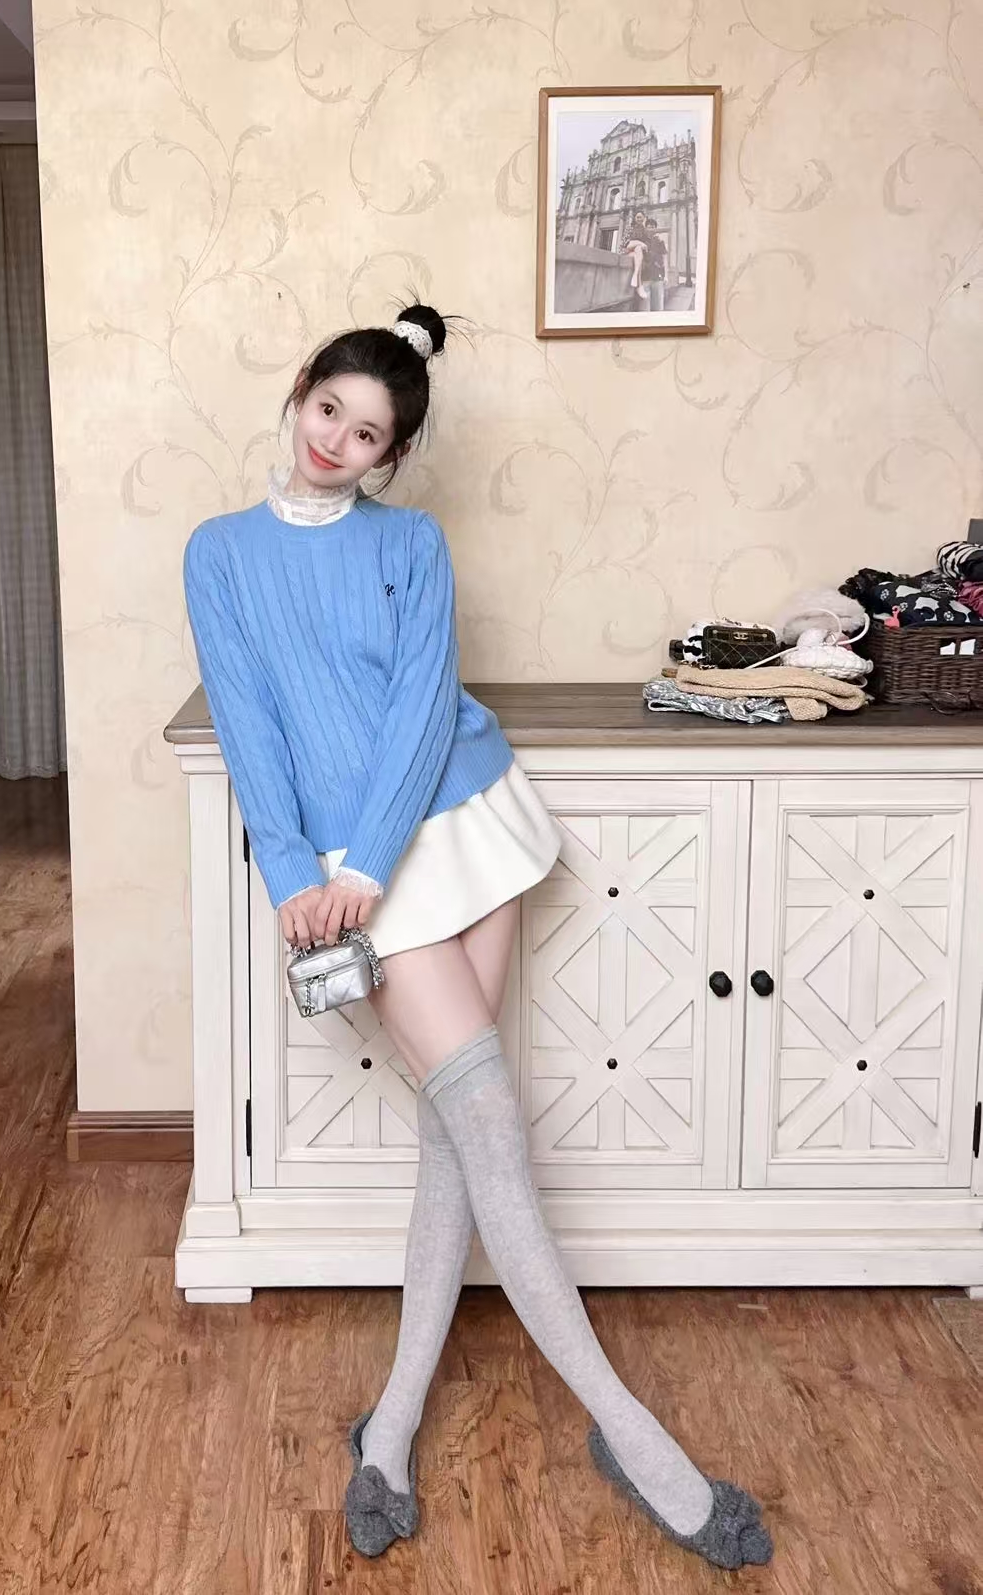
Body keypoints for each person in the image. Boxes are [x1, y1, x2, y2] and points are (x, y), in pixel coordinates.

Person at [182, 304, 772, 1572]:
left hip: (465, 821)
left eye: (368, 434)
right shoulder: (219, 554)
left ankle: (389, 1433)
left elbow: (415, 708)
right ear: (300, 392)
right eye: (329, 410)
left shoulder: (412, 543)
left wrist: (368, 863)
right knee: (488, 1122)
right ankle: (632, 1434)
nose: (337, 441)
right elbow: (248, 722)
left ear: (393, 456)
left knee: (463, 1137)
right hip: (349, 875)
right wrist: (297, 875)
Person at [641, 217, 669, 311]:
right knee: (645, 309)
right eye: (648, 227)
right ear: (646, 228)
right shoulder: (642, 241)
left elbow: (665, 259)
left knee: (658, 308)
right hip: (644, 278)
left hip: (658, 277)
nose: (650, 229)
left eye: (652, 227)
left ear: (655, 229)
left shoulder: (660, 241)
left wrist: (666, 276)